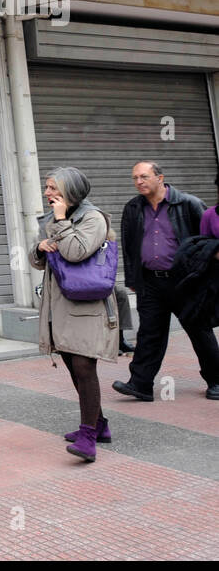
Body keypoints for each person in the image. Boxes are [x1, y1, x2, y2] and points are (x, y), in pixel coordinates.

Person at [28, 168, 119, 462]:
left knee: (84, 367)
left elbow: (75, 252)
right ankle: (99, 425)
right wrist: (39, 249)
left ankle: (88, 438)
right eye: (46, 187)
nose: (47, 193)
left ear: (70, 190)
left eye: (52, 187)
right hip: (62, 305)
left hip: (88, 307)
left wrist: (62, 221)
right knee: (72, 364)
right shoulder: (55, 218)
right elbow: (41, 260)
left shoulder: (94, 219)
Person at [113, 161, 219, 402]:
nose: (138, 182)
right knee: (149, 333)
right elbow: (129, 246)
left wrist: (205, 276)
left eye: (144, 177)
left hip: (186, 281)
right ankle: (140, 384)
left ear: (160, 178)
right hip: (150, 282)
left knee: (199, 331)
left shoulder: (188, 203)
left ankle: (216, 380)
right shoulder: (133, 208)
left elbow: (207, 240)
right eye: (135, 178)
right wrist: (132, 278)